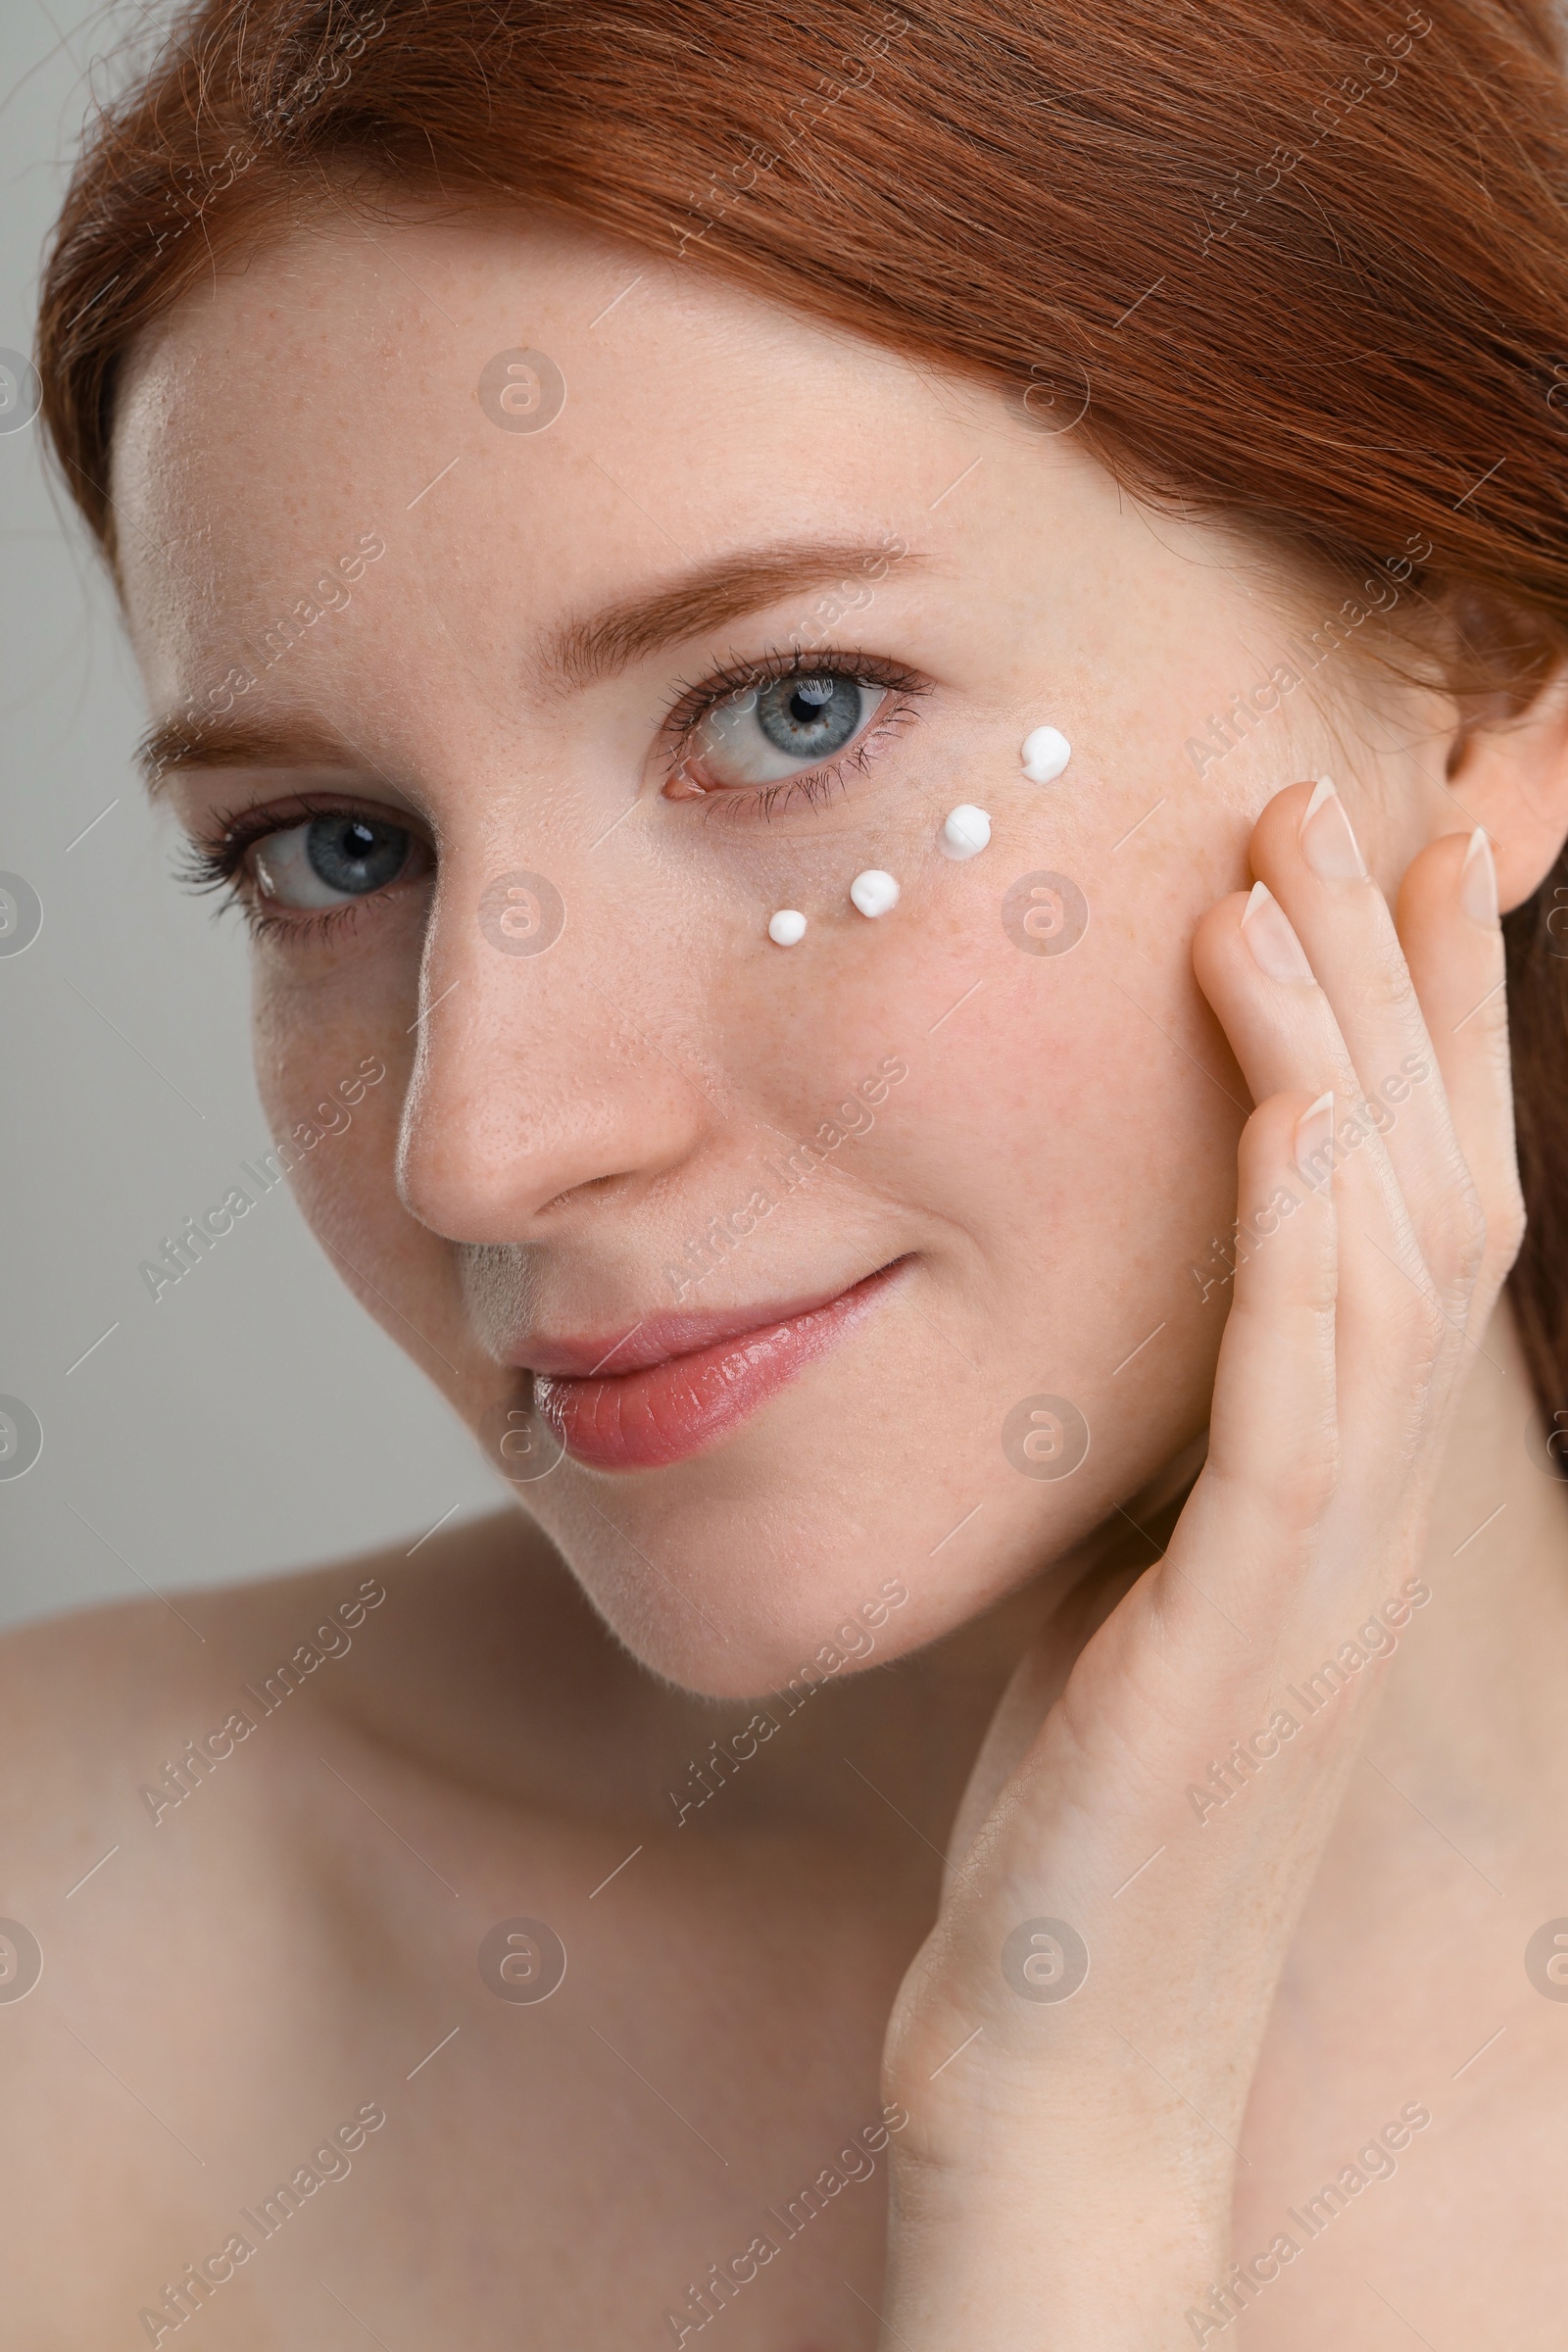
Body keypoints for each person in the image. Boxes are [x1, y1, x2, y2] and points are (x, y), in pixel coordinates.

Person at [9, 0, 1568, 2340]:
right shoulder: (78, 1943)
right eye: (330, 851)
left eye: (786, 713)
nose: (485, 1141)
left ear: (1473, 679)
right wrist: (1056, 2152)